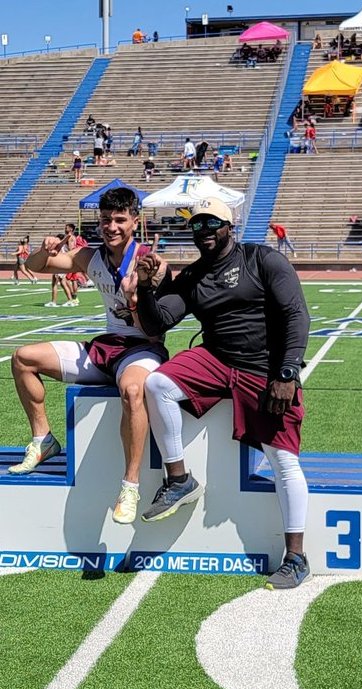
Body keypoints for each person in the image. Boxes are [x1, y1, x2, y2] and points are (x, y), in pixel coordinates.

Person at [133, 197, 310, 590]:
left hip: (265, 366)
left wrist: (287, 371)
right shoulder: (194, 275)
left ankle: (296, 557)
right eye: (197, 225)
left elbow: (297, 313)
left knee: (284, 461)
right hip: (216, 360)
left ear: (230, 226)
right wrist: (146, 288)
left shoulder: (262, 260)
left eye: (213, 223)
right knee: (158, 383)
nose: (205, 231)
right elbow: (157, 322)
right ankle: (178, 478)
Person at [9, 187, 170, 525]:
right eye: (106, 220)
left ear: (134, 222)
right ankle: (43, 440)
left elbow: (156, 330)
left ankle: (130, 485)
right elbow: (37, 266)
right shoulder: (89, 256)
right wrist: (44, 249)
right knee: (23, 357)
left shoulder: (151, 263)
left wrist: (136, 295)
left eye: (120, 220)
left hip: (142, 348)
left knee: (132, 391)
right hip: (106, 346)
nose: (112, 226)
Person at [45, 234, 76, 307]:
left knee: (61, 283)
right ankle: (65, 300)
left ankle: (66, 300)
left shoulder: (61, 246)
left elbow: (58, 256)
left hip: (59, 266)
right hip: (60, 266)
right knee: (56, 283)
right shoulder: (64, 246)